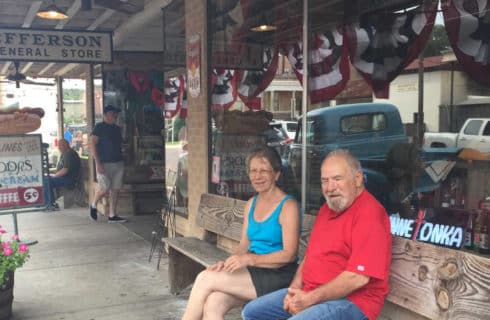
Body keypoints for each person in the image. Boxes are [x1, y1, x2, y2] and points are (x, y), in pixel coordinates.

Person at [242, 149, 392, 320]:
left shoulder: (369, 214)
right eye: (325, 181)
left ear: (357, 178)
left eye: (337, 179)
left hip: (352, 302)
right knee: (251, 312)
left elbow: (357, 278)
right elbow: (310, 256)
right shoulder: (327, 210)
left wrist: (310, 299)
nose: (330, 188)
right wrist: (294, 290)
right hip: (313, 292)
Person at [182, 146, 301, 320]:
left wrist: (249, 259)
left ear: (276, 174)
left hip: (279, 274)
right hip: (254, 270)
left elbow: (289, 255)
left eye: (263, 171)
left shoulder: (287, 206)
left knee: (204, 279)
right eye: (253, 171)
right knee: (213, 302)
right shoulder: (251, 203)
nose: (257, 176)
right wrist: (225, 263)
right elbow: (244, 244)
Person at [89, 105, 126, 223]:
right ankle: (93, 204)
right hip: (103, 163)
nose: (114, 116)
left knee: (115, 189)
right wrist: (98, 162)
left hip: (118, 162)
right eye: (112, 113)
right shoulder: (99, 128)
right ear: (105, 115)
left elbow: (120, 145)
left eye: (115, 114)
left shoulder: (117, 129)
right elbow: (92, 145)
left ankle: (112, 215)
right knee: (105, 188)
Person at [46, 138, 81, 209]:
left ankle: (51, 204)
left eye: (61, 145)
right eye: (58, 145)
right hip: (63, 177)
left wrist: (54, 176)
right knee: (46, 178)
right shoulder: (64, 153)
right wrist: (52, 174)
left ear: (66, 145)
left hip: (69, 179)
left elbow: (65, 170)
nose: (58, 147)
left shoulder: (69, 154)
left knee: (47, 181)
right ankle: (49, 203)